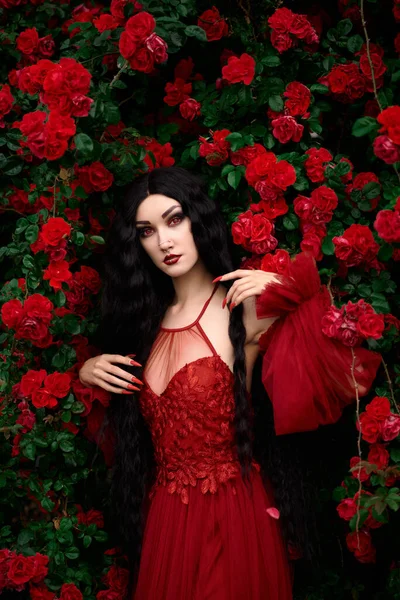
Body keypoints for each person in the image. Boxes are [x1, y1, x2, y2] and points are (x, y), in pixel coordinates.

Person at [78, 166, 381, 600]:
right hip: (166, 520)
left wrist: (284, 287)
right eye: (147, 230)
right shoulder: (142, 327)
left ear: (198, 219)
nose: (164, 241)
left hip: (233, 514)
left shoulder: (244, 307)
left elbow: (349, 365)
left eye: (174, 219)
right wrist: (88, 373)